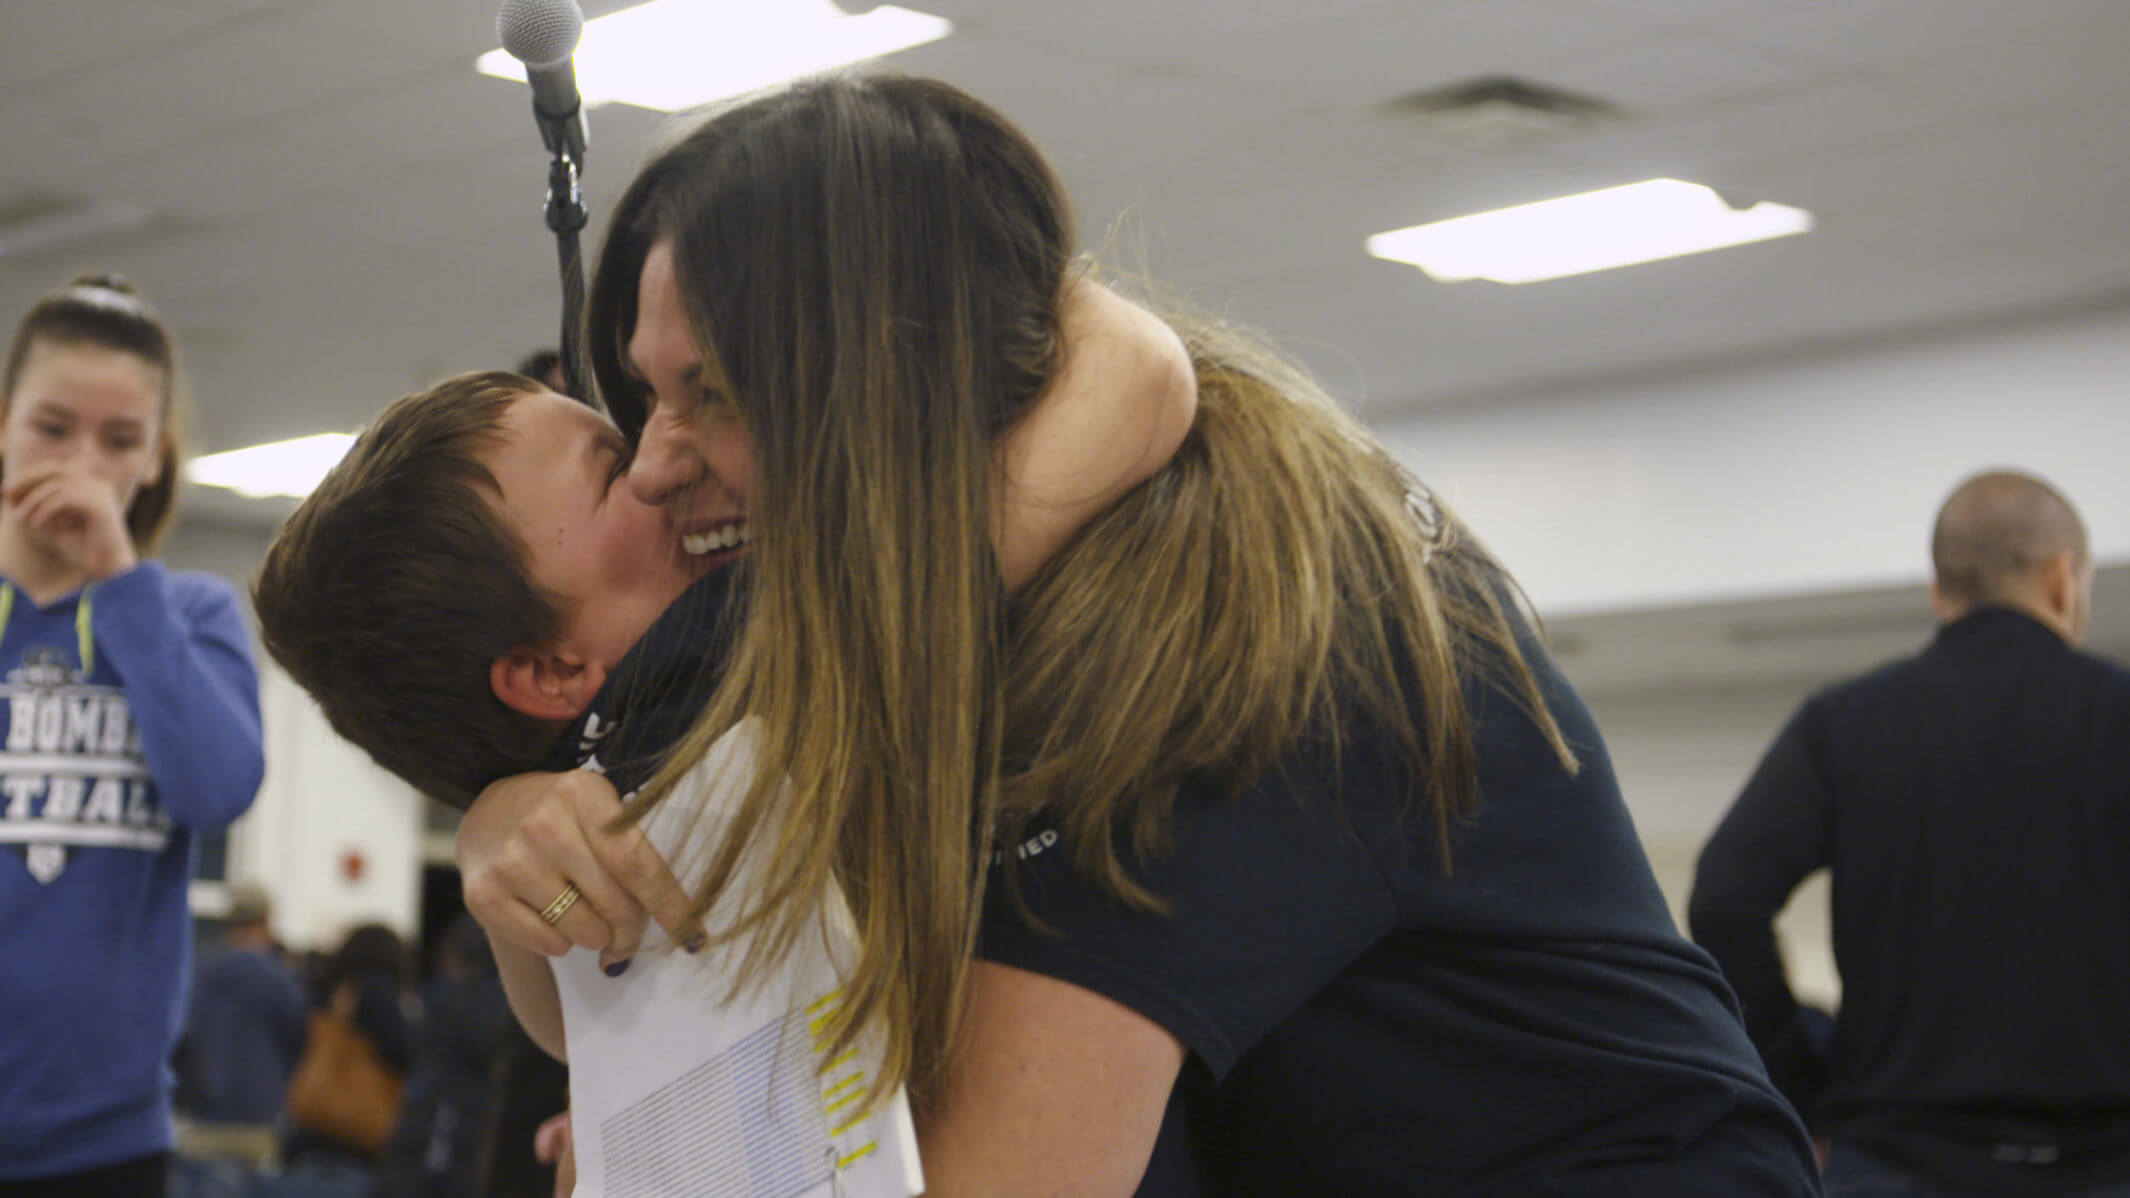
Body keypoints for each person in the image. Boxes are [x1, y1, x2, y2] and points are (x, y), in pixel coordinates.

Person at [453, 74, 1821, 1194]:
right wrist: (505, 826)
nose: (652, 464)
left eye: (720, 395)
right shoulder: (981, 584)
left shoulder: (1215, 636)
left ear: (878, 385)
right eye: (651, 394)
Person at [1690, 469, 2130, 1197]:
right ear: (2062, 579)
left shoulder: (1842, 724)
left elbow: (1725, 899)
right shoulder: (2118, 714)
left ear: (1941, 592)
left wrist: (1797, 1074)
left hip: (1895, 1163)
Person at [0, 273, 266, 1196]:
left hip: (104, 1146)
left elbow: (218, 789)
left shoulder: (188, 613)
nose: (82, 464)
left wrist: (118, 577)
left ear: (155, 458)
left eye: (119, 441)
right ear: (3, 424)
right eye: (52, 428)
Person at [175, 885, 309, 1170]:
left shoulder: (196, 972)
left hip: (201, 1119)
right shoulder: (281, 980)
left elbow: (178, 1037)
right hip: (260, 1121)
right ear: (266, 922)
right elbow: (300, 1043)